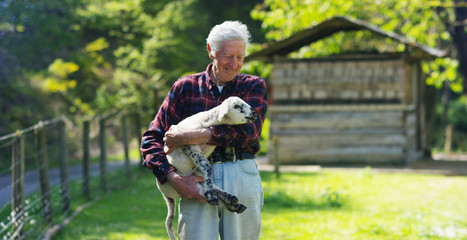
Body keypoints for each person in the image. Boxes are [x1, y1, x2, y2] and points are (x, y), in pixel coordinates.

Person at [141, 20, 268, 240]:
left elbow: (249, 133)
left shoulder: (253, 86)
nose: (234, 64)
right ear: (210, 50)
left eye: (240, 57)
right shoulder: (185, 87)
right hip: (194, 178)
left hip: (240, 173)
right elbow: (152, 138)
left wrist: (194, 136)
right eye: (228, 56)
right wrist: (173, 178)